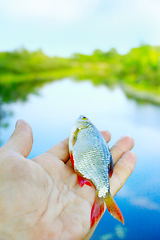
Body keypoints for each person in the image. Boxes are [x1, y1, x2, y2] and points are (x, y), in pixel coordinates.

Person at [0, 119, 137, 240]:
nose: (81, 119)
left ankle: (102, 196)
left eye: (84, 120)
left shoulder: (79, 130)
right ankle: (103, 197)